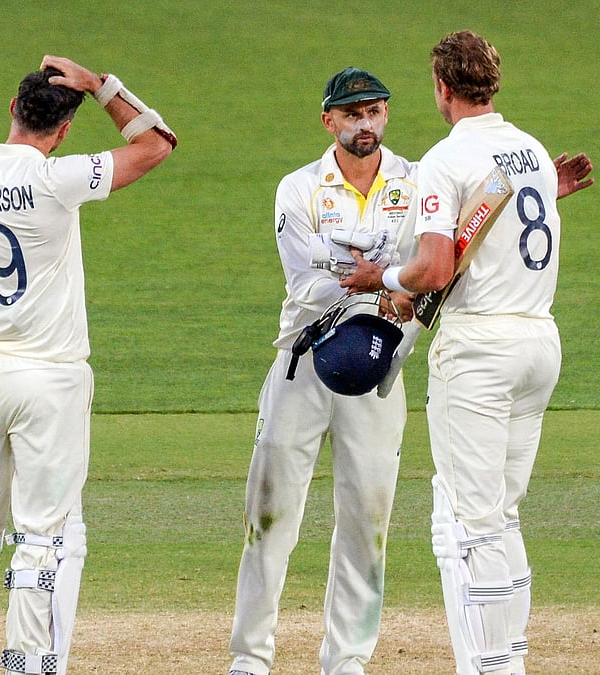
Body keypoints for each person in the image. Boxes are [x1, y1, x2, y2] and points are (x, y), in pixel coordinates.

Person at [0, 55, 175, 675]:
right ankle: (28, 663)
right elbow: (156, 144)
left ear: (12, 110)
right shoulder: (60, 177)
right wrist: (101, 85)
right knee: (42, 535)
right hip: (51, 378)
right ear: (63, 132)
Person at [341, 31, 591, 675]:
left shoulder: (443, 161)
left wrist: (382, 281)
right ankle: (507, 659)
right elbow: (495, 225)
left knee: (464, 523)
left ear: (442, 88)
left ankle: (490, 669)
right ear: (492, 83)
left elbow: (431, 266)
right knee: (500, 517)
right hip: (540, 342)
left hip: (480, 350)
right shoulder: (530, 150)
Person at [227, 67, 418, 675]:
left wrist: (381, 276)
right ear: (328, 119)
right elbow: (307, 282)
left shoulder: (417, 183)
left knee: (368, 515)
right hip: (304, 362)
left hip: (379, 366)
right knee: (270, 510)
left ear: (386, 115)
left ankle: (348, 659)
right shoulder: (298, 188)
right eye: (353, 113)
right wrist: (386, 275)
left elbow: (439, 261)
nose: (366, 123)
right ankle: (251, 658)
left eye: (376, 111)